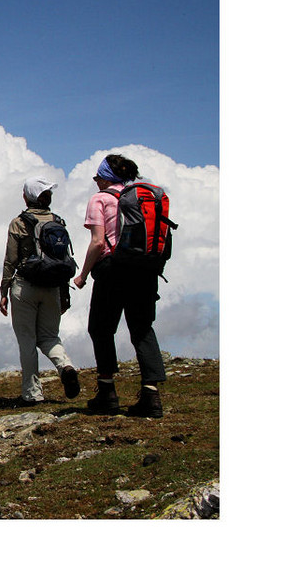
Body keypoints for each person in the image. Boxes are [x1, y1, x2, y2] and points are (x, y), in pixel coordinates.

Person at [74, 154, 166, 418]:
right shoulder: (142, 197)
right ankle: (151, 396)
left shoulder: (100, 199)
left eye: (96, 177)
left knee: (101, 328)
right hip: (145, 269)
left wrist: (83, 274)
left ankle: (107, 392)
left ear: (104, 177)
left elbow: (98, 242)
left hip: (113, 269)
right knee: (142, 328)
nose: (95, 182)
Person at [0, 178, 81, 405]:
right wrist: (65, 293)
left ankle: (32, 394)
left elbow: (10, 260)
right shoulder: (57, 221)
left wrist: (4, 291)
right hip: (53, 287)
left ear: (27, 197)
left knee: (27, 340)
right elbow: (61, 259)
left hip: (25, 286)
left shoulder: (18, 223)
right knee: (50, 336)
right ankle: (65, 366)